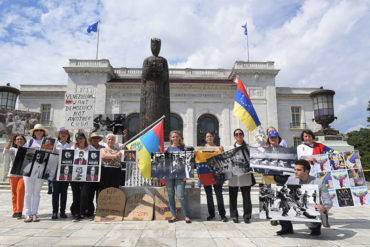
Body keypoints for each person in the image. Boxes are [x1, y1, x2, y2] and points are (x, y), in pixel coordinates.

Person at [277, 159, 332, 236]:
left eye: (299, 170)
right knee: (283, 205)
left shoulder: (319, 182)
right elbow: (283, 191)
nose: (295, 172)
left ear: (306, 171)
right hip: (296, 203)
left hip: (313, 206)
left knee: (313, 226)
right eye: (295, 169)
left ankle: (315, 228)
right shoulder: (291, 179)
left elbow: (328, 200)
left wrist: (324, 207)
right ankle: (286, 228)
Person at [296, 129, 333, 227]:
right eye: (305, 136)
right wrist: (308, 159)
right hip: (308, 175)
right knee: (311, 198)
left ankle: (325, 219)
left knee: (322, 199)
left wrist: (350, 155)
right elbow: (299, 160)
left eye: (309, 136)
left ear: (312, 136)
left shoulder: (319, 145)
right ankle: (313, 220)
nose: (307, 138)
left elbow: (332, 153)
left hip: (320, 174)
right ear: (303, 138)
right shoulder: (300, 147)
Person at [228, 129, 255, 223]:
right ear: (234, 136)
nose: (238, 135)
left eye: (240, 134)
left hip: (246, 176)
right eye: (236, 134)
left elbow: (253, 161)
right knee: (232, 197)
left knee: (247, 197)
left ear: (243, 135)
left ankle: (247, 216)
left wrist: (251, 170)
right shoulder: (230, 148)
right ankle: (234, 215)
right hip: (233, 176)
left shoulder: (249, 148)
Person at [23, 124, 48, 222]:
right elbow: (23, 154)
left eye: (40, 130)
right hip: (28, 170)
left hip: (40, 170)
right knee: (28, 192)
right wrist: (28, 150)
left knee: (37, 192)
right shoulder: (29, 142)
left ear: (43, 132)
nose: (38, 132)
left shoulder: (47, 142)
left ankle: (34, 213)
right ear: (34, 132)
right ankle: (27, 214)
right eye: (37, 130)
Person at [164, 130, 191, 223]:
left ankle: (186, 216)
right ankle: (173, 216)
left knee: (180, 196)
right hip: (169, 176)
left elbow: (187, 163)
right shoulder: (167, 150)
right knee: (170, 196)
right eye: (173, 137)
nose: (175, 138)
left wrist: (186, 175)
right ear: (170, 138)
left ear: (179, 137)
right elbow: (164, 164)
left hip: (180, 176)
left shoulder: (184, 148)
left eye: (176, 136)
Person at [201, 132, 227, 222]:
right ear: (205, 138)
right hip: (206, 174)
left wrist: (222, 153)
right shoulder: (201, 149)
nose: (209, 138)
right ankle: (211, 214)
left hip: (217, 174)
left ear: (213, 137)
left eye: (211, 136)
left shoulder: (218, 148)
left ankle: (222, 215)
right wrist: (195, 154)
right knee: (209, 195)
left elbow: (223, 160)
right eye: (207, 136)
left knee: (219, 195)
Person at [70, 131, 94, 222]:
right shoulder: (73, 148)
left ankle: (83, 212)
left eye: (81, 138)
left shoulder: (90, 148)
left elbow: (96, 156)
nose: (79, 140)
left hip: (86, 175)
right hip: (74, 175)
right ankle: (76, 212)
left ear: (85, 139)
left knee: (84, 194)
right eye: (78, 139)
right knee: (75, 193)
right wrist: (75, 148)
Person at [51, 127, 73, 220]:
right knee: (55, 192)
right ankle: (55, 212)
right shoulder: (55, 144)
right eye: (62, 133)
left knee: (64, 192)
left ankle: (62, 211)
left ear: (68, 135)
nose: (63, 134)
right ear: (59, 135)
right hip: (56, 169)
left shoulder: (71, 144)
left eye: (65, 133)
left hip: (66, 170)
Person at [3, 134, 27, 219]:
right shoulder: (12, 149)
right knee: (14, 193)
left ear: (24, 141)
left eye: (21, 139)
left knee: (20, 191)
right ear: (15, 141)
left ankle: (19, 211)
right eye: (17, 139)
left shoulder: (27, 150)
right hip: (12, 174)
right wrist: (9, 140)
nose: (19, 140)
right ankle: (15, 210)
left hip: (22, 174)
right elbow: (5, 152)